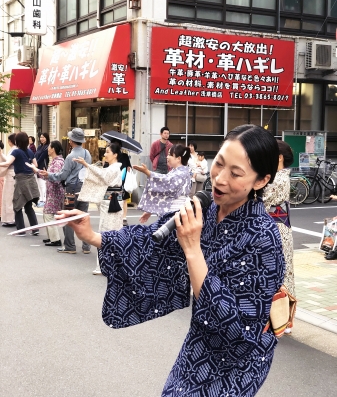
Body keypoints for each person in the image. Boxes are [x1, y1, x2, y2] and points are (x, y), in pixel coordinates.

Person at [56, 124, 284, 397]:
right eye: (219, 164)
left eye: (235, 173)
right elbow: (154, 238)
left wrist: (192, 250)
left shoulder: (263, 237)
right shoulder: (208, 210)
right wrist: (93, 236)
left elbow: (239, 329)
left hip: (235, 362)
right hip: (199, 344)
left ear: (260, 181)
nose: (220, 179)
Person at [39, 128, 91, 254]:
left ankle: (70, 246)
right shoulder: (87, 154)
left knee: (68, 216)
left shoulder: (71, 156)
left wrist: (49, 175)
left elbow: (62, 175)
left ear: (71, 141)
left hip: (72, 188)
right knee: (83, 215)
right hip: (85, 187)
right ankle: (86, 246)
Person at [74, 143, 123, 274]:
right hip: (112, 201)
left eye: (108, 152)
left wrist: (87, 165)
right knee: (109, 232)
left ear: (115, 155)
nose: (105, 154)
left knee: (106, 232)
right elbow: (102, 178)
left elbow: (102, 176)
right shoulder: (112, 168)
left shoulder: (114, 169)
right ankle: (108, 265)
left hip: (111, 202)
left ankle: (104, 266)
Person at [263, 140, 295, 334]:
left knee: (279, 272)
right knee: (283, 272)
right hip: (280, 227)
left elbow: (263, 200)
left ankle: (283, 318)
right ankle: (284, 318)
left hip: (277, 229)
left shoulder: (279, 179)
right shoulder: (280, 177)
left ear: (280, 158)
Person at [133, 144, 191, 223]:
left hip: (175, 212)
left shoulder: (182, 173)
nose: (167, 157)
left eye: (170, 155)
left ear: (178, 158)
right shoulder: (177, 171)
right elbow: (165, 192)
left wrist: (148, 172)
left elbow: (166, 182)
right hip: (172, 211)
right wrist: (150, 211)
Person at [0, 132, 39, 236]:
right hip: (31, 180)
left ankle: (21, 230)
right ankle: (35, 229)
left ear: (17, 141)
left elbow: (8, 163)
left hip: (21, 180)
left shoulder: (16, 152)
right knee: (28, 206)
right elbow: (35, 165)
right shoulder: (30, 151)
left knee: (17, 205)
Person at [31, 141, 65, 247]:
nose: (47, 149)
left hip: (56, 192)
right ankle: (52, 237)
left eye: (49, 147)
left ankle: (55, 239)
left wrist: (39, 171)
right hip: (52, 191)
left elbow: (55, 177)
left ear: (53, 149)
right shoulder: (54, 161)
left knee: (48, 213)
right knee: (47, 212)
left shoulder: (58, 162)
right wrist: (38, 171)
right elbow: (48, 175)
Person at [108, 139, 131, 226]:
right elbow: (129, 167)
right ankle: (122, 217)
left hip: (119, 180)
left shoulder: (123, 156)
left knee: (121, 199)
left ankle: (123, 217)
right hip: (120, 180)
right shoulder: (124, 156)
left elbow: (129, 167)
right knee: (122, 199)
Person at [0, 133, 17, 227]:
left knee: (9, 197)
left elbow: (8, 163)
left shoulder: (14, 150)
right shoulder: (13, 150)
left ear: (10, 141)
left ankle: (10, 219)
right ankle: (7, 218)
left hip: (11, 174)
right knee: (7, 197)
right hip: (10, 174)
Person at [34, 132, 50, 207]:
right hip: (37, 166)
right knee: (39, 184)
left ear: (47, 138)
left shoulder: (47, 147)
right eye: (41, 137)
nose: (42, 139)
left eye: (43, 137)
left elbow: (42, 158)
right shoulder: (39, 146)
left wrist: (35, 164)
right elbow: (35, 155)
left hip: (42, 167)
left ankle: (44, 200)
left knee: (42, 184)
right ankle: (40, 199)